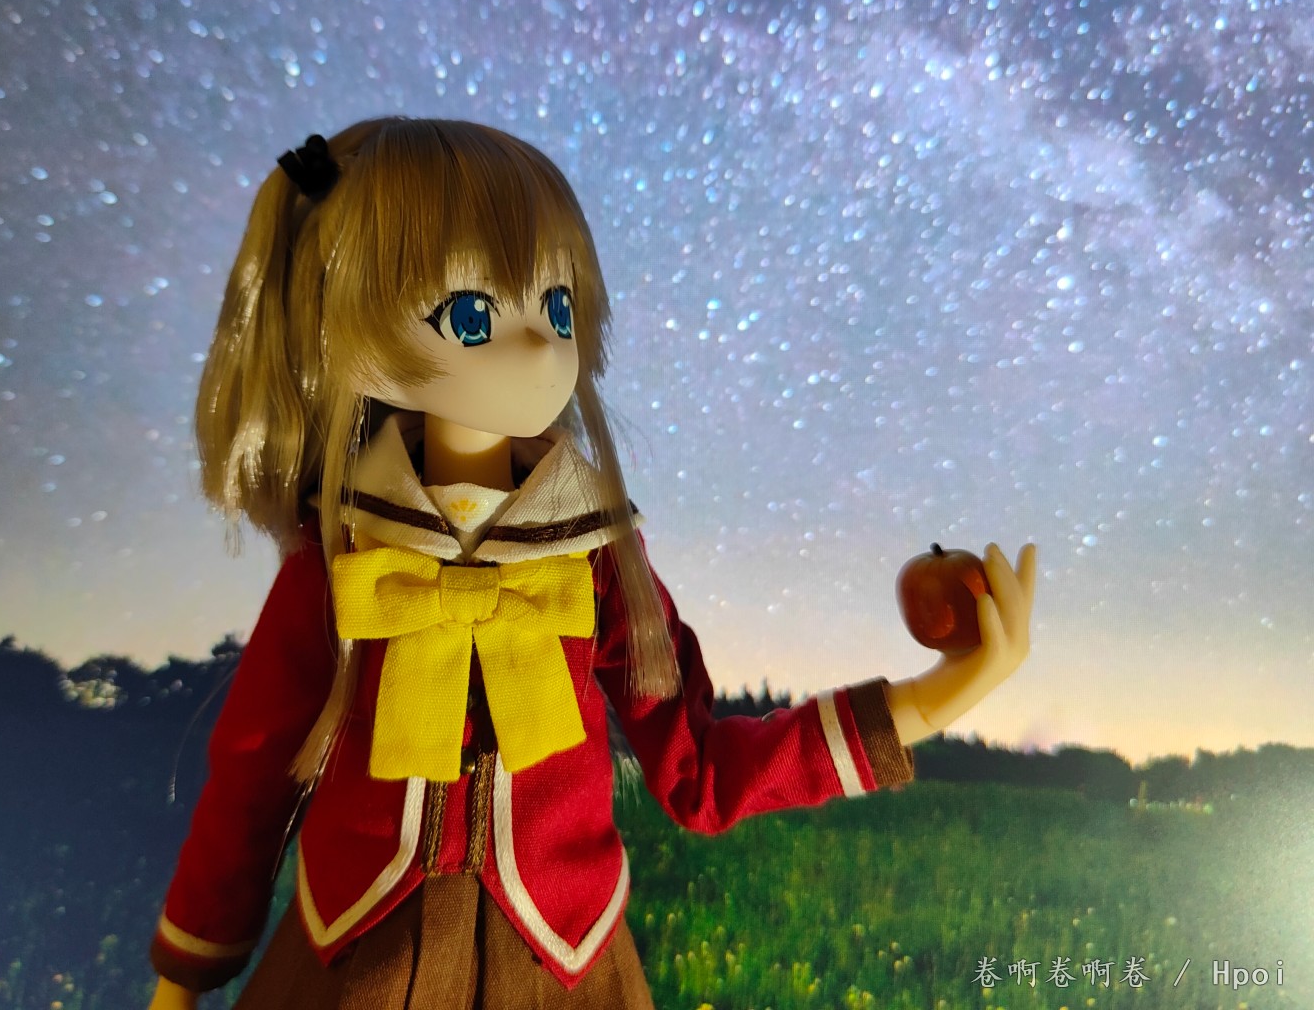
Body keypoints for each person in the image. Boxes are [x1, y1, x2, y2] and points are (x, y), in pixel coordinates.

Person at [145, 117, 1036, 1009]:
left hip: (565, 969)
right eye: (471, 315)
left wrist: (938, 694)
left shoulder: (596, 557)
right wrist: (183, 974)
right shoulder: (343, 556)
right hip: (353, 967)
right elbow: (252, 774)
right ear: (347, 320)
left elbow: (701, 768)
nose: (541, 347)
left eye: (557, 308)